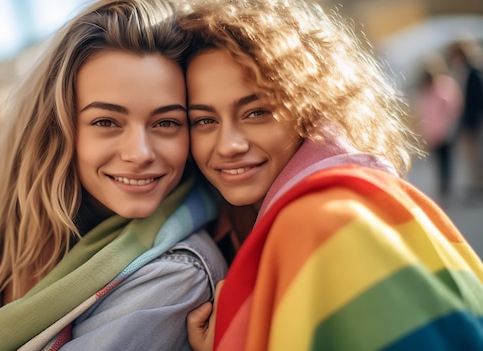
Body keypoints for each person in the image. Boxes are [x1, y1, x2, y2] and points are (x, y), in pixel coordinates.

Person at [178, 0, 483, 350]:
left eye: (257, 112)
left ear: (308, 108)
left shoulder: (323, 220)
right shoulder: (337, 199)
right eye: (204, 120)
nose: (228, 144)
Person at [0, 0, 226, 350]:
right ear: (59, 129)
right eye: (106, 122)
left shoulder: (176, 274)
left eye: (166, 123)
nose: (140, 153)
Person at [412, 53, 463, 199]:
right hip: (433, 132)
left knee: (446, 160)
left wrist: (451, 123)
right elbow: (421, 112)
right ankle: (443, 185)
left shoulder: (444, 85)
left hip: (445, 130)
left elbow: (453, 106)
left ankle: (446, 185)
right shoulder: (424, 91)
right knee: (439, 160)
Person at [448, 37, 483, 199]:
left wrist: (471, 122)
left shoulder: (473, 72)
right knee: (469, 156)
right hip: (465, 122)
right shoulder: (458, 72)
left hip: (474, 121)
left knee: (477, 154)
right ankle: (475, 184)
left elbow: (476, 100)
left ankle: (478, 185)